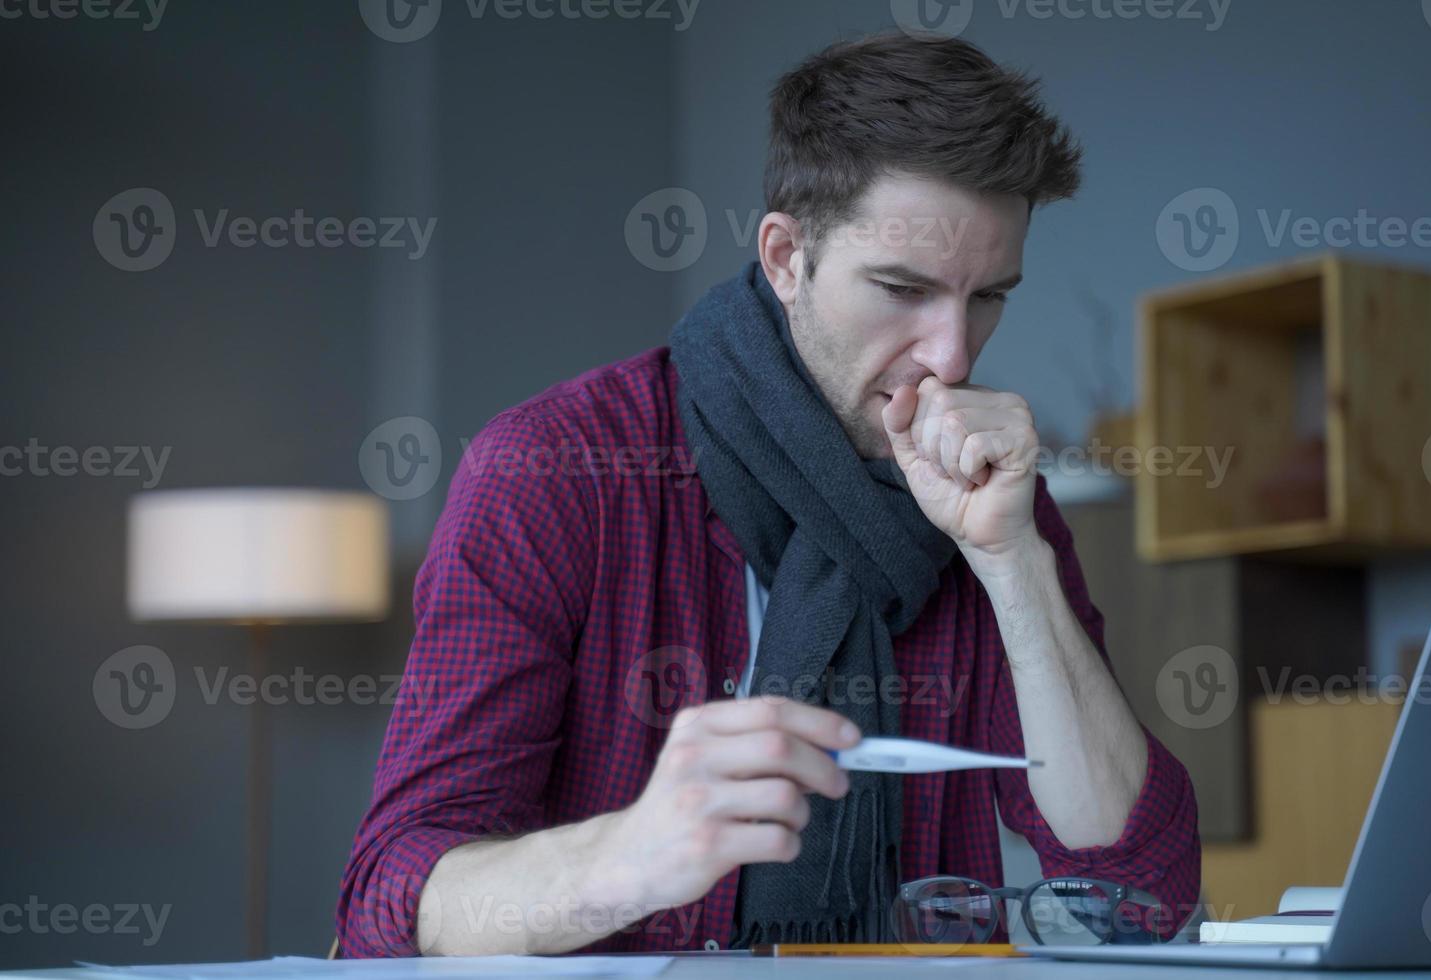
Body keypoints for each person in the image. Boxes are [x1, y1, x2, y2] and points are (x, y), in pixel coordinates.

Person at [337, 30, 1200, 957]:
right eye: (902, 288)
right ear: (787, 257)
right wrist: (626, 857)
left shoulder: (987, 499)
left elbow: (1141, 888)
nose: (951, 355)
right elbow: (391, 900)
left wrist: (1014, 561)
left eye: (988, 296)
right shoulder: (550, 472)